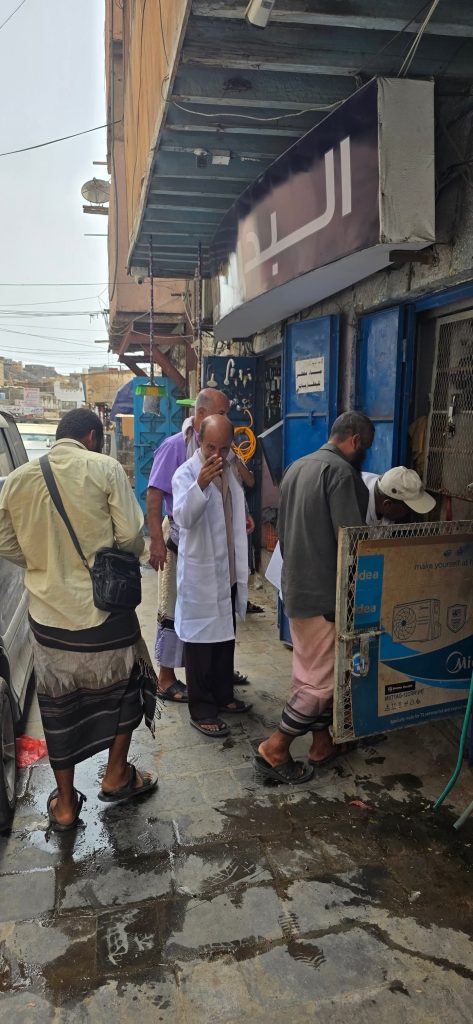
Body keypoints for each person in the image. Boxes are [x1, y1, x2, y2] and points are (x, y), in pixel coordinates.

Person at [0, 409, 158, 832]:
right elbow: (130, 537)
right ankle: (116, 774)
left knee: (58, 706)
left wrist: (42, 564)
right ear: (92, 436)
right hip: (105, 611)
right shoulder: (105, 468)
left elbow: (4, 541)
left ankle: (66, 804)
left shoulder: (17, 480)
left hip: (48, 618)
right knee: (127, 686)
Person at [256, 411, 375, 784]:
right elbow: (350, 538)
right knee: (321, 683)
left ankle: (322, 744)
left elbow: (282, 530)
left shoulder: (297, 467)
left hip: (296, 587)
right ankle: (276, 747)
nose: (365, 455)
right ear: (355, 441)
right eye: (366, 448)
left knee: (312, 671)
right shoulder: (341, 473)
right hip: (324, 594)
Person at [147, 388, 253, 701]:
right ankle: (166, 677)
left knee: (220, 609)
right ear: (202, 414)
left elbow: (240, 486)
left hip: (216, 542)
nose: (227, 417)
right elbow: (154, 494)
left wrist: (241, 512)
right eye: (222, 412)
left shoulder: (223, 450)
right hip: (179, 537)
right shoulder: (176, 447)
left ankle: (217, 676)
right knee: (174, 608)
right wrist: (156, 541)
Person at [172, 415, 252, 737]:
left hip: (227, 570)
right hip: (201, 574)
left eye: (224, 448)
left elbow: (240, 496)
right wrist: (201, 485)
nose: (217, 454)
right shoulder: (186, 474)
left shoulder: (230, 468)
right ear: (198, 441)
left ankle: (223, 695)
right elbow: (183, 518)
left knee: (224, 640)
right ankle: (202, 708)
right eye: (210, 447)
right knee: (200, 645)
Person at [363, 466, 435, 525]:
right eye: (408, 509)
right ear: (388, 504)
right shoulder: (358, 508)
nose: (410, 513)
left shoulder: (385, 488)